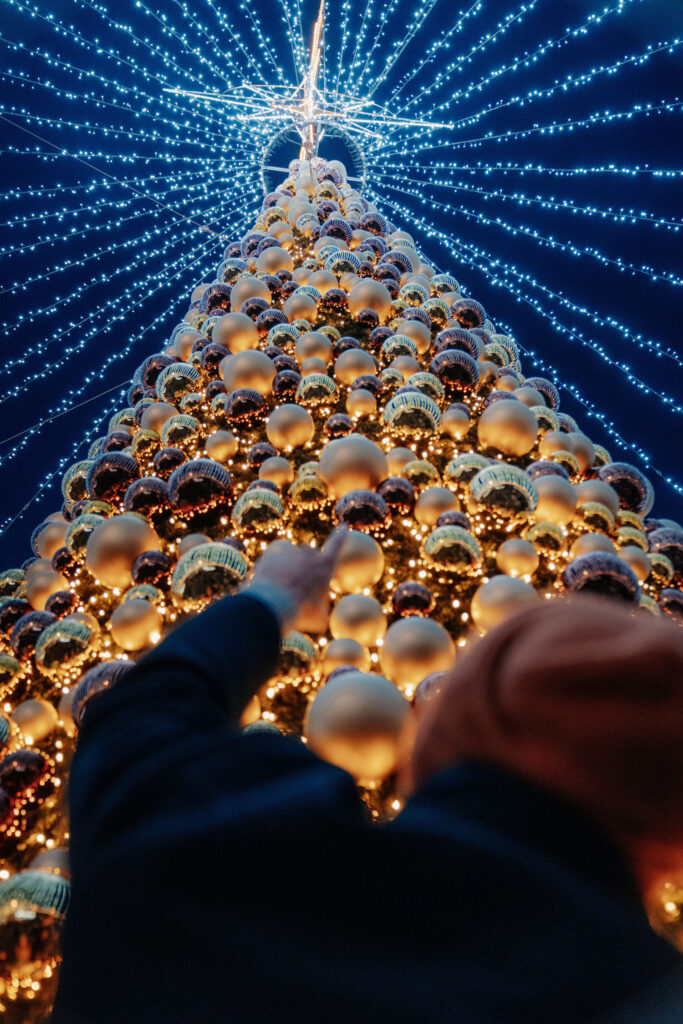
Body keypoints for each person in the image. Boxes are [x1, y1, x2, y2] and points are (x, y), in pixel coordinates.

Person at [52, 538, 683, 1023]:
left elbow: (134, 728)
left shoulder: (234, 862)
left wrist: (269, 597)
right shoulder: (645, 990)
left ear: (446, 731)